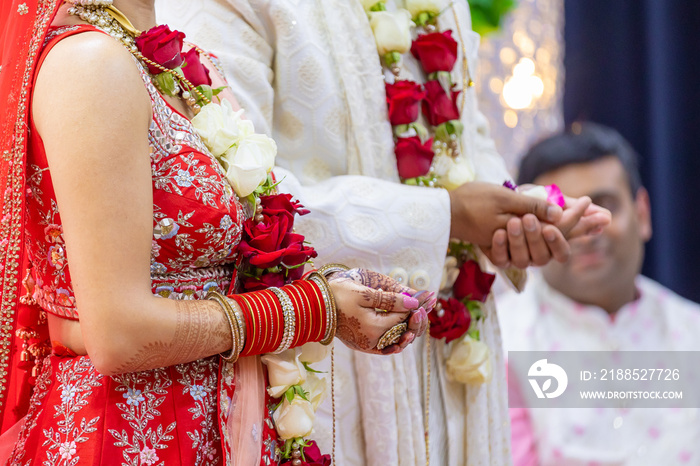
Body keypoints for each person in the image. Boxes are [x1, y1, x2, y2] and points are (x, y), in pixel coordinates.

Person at [155, 1, 611, 464]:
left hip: (453, 352)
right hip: (320, 354)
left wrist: (519, 217)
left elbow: (467, 147)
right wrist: (446, 214)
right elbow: (233, 192)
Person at [0, 0, 438, 464]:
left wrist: (330, 291)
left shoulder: (179, 64)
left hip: (226, 425)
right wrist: (315, 309)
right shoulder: (90, 64)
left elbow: (221, 270)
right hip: (132, 439)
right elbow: (118, 334)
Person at [498, 122, 700, 466]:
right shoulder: (502, 343)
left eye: (603, 207)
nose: (586, 232)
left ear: (643, 213)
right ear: (530, 231)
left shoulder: (692, 330)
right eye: (562, 215)